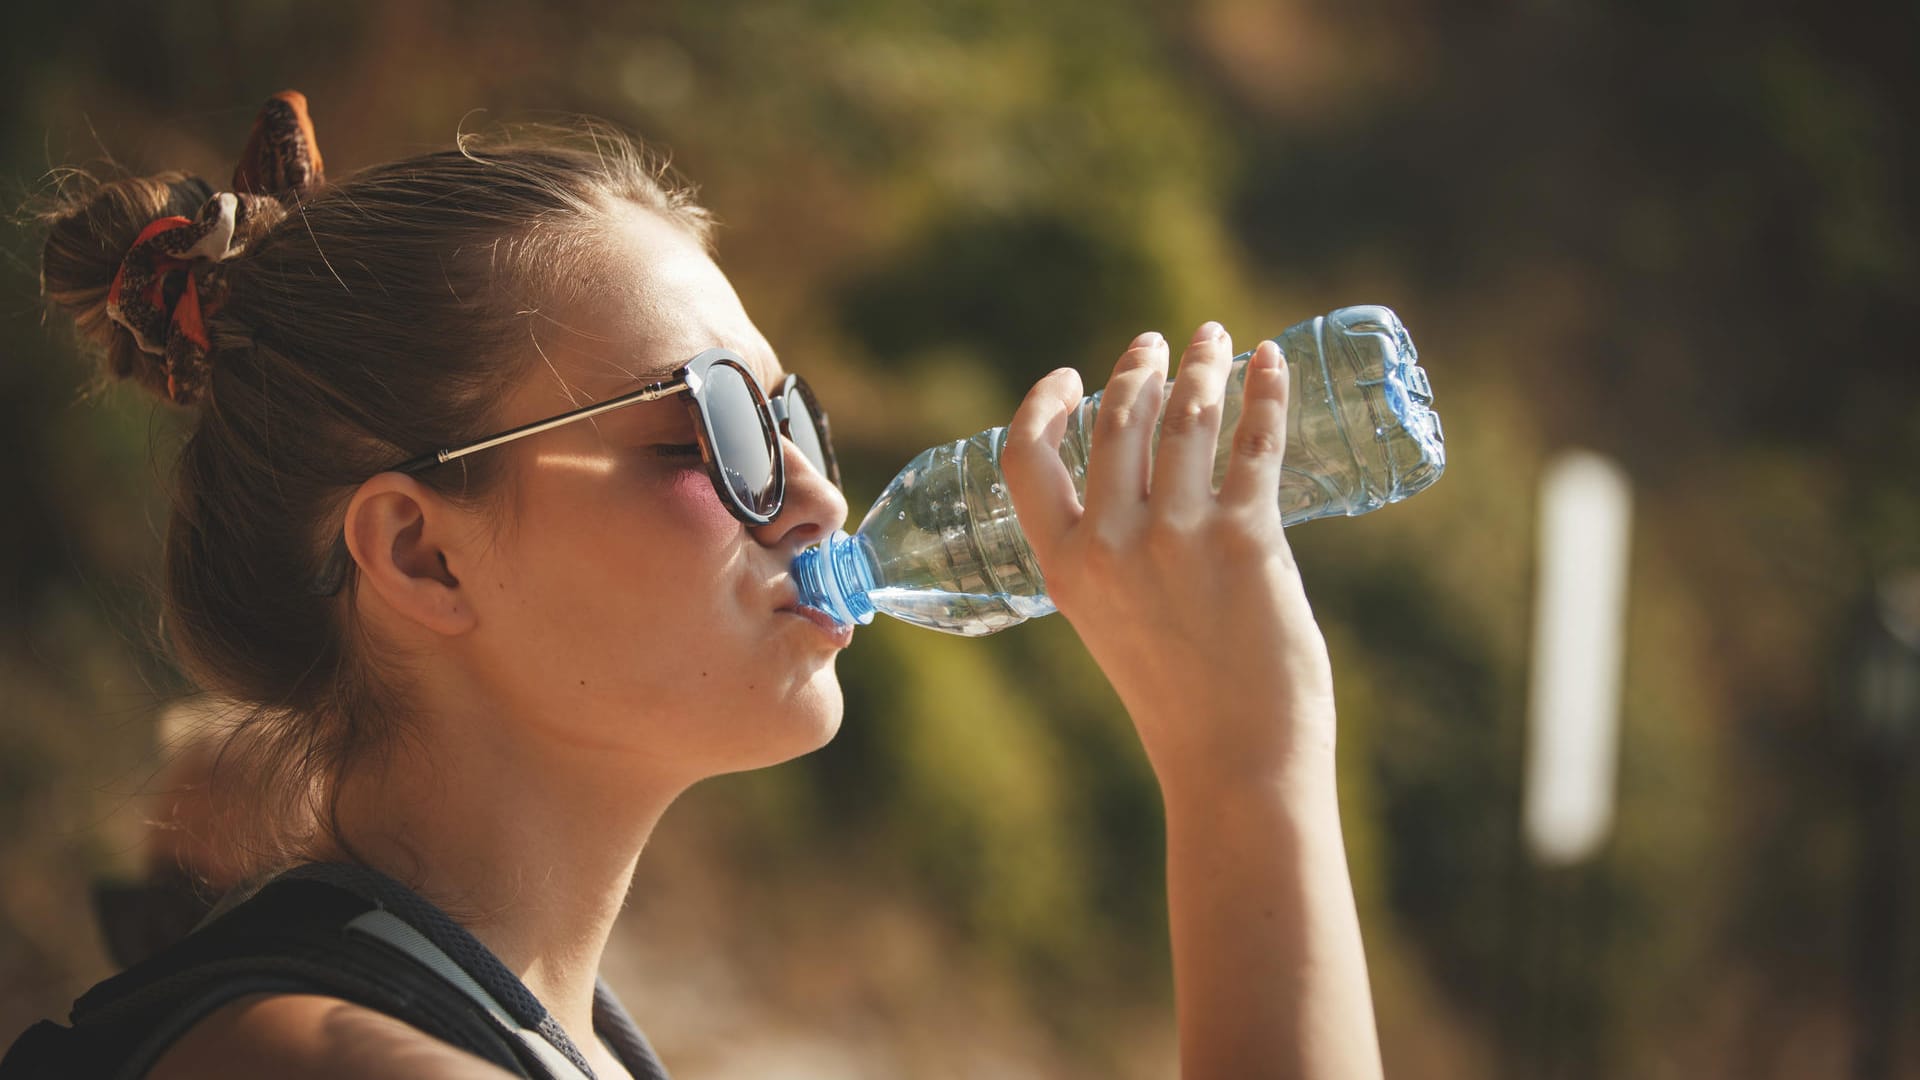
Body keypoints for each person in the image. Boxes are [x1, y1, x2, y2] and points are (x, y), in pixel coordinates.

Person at [13, 91, 1383, 1079]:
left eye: (800, 419)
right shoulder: (338, 1060)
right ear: (422, 554)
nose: (820, 494)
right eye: (721, 427)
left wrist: (1251, 763)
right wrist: (1244, 771)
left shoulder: (546, 1034)